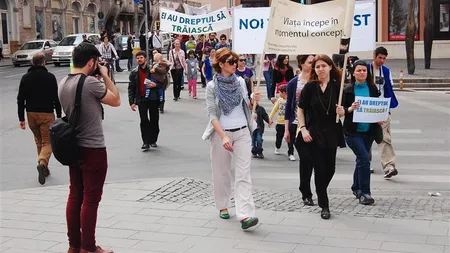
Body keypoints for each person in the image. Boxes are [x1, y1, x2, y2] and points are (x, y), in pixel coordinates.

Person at [59, 42, 120, 253]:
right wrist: (105, 75)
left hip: (73, 147)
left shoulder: (63, 82)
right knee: (91, 199)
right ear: (92, 62)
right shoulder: (90, 84)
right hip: (93, 148)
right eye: (96, 63)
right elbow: (116, 100)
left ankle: (74, 245)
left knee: (75, 195)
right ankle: (89, 247)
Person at [202, 47, 260, 230]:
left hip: (243, 131)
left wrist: (253, 100)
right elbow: (212, 115)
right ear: (221, 64)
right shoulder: (212, 87)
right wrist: (224, 136)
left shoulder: (241, 82)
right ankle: (223, 205)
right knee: (222, 173)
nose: (236, 65)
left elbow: (246, 105)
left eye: (236, 61)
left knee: (244, 173)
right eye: (231, 62)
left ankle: (245, 215)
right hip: (221, 133)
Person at [297, 54, 346, 220]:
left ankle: (320, 190)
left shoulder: (338, 87)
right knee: (319, 169)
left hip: (332, 132)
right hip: (314, 133)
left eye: (323, 66)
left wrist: (343, 111)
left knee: (330, 169)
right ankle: (324, 205)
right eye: (317, 66)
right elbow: (301, 109)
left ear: (330, 67)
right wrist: (302, 129)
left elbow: (344, 109)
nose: (320, 69)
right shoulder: (309, 87)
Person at [17, 53, 61, 185]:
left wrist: (21, 118)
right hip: (46, 113)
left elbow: (20, 99)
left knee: (39, 141)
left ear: (32, 63)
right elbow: (56, 97)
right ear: (44, 63)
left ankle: (45, 169)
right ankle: (42, 163)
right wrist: (59, 115)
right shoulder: (50, 77)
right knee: (48, 142)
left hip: (31, 114)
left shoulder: (25, 78)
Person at [343, 60, 382, 206]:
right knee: (365, 159)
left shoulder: (373, 89)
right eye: (358, 70)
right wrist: (350, 109)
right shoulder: (347, 90)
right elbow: (341, 110)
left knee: (361, 159)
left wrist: (380, 117)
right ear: (353, 73)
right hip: (352, 132)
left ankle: (356, 187)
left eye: (364, 70)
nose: (361, 73)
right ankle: (365, 192)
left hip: (369, 131)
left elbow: (377, 107)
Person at [286, 54, 315, 205]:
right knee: (306, 159)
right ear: (302, 64)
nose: (313, 65)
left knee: (316, 161)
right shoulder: (293, 83)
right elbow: (288, 107)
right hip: (297, 126)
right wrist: (286, 129)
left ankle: (309, 189)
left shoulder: (318, 81)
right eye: (310, 62)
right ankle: (306, 192)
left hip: (315, 126)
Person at [368, 47, 399, 178]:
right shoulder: (365, 69)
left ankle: (389, 166)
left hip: (382, 108)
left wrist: (388, 108)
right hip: (367, 108)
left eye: (384, 58)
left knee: (385, 138)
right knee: (366, 138)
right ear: (374, 55)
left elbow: (389, 88)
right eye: (380, 57)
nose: (382, 61)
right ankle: (365, 162)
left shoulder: (386, 71)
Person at [128, 51, 162, 149]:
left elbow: (163, 81)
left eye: (141, 58)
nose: (139, 60)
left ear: (145, 59)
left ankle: (153, 140)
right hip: (141, 99)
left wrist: (156, 85)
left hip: (153, 98)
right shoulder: (134, 72)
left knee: (154, 119)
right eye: (138, 58)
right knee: (144, 120)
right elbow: (131, 88)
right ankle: (145, 142)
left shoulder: (153, 69)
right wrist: (132, 102)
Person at [269, 85, 293, 160]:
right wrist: (270, 118)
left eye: (280, 92)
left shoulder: (291, 100)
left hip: (290, 123)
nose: (279, 94)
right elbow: (274, 109)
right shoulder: (279, 100)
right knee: (279, 137)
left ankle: (291, 153)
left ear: (284, 92)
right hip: (280, 122)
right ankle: (277, 146)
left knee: (290, 139)